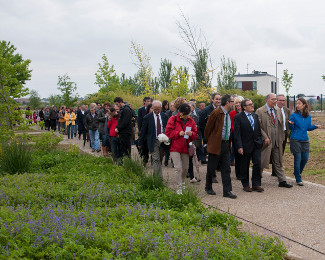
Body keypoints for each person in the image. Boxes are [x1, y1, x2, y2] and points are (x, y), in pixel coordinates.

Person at [255, 93, 293, 188]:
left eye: (275, 99)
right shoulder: (260, 111)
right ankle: (257, 180)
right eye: (273, 99)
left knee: (278, 160)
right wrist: (265, 137)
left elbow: (281, 125)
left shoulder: (278, 110)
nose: (275, 101)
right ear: (267, 100)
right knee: (262, 161)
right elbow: (258, 127)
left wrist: (281, 138)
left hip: (277, 141)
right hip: (266, 141)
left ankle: (282, 180)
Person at [204, 94, 237, 198]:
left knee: (226, 168)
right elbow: (207, 129)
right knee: (212, 167)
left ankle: (227, 191)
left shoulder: (228, 113)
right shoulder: (216, 113)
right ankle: (208, 187)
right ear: (227, 103)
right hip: (216, 145)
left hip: (226, 144)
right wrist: (211, 142)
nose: (233, 103)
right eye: (232, 101)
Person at [165, 103, 198, 195]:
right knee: (178, 168)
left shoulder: (191, 121)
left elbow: (196, 134)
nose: (186, 116)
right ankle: (178, 187)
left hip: (186, 147)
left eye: (188, 114)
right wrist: (178, 133)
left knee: (185, 168)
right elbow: (168, 132)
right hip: (175, 147)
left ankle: (182, 181)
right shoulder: (173, 119)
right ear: (180, 112)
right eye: (184, 114)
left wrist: (192, 134)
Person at [288, 97, 321, 186]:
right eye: (296, 103)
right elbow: (291, 128)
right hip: (295, 139)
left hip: (305, 140)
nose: (297, 105)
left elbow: (308, 128)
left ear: (304, 105)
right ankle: (298, 178)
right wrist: (290, 124)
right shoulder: (294, 115)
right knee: (298, 158)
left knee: (305, 158)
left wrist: (315, 126)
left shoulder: (308, 116)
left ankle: (297, 173)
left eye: (299, 103)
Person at [234, 99, 263, 192]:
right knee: (245, 165)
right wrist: (239, 146)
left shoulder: (255, 116)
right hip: (245, 145)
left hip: (256, 145)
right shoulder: (238, 117)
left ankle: (256, 183)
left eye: (252, 104)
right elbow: (237, 133)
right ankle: (245, 184)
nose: (252, 105)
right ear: (244, 107)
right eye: (250, 104)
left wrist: (259, 141)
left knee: (258, 163)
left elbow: (258, 130)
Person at [138, 100, 168, 177]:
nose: (157, 111)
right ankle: (158, 178)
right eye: (155, 109)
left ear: (161, 108)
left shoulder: (165, 116)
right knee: (155, 159)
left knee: (160, 159)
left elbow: (168, 128)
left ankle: (158, 175)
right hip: (153, 140)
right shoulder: (147, 117)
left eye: (158, 109)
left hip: (163, 141)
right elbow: (143, 131)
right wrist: (140, 142)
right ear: (152, 108)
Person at [199, 92, 221, 183]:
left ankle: (216, 172)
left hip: (219, 137)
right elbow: (201, 125)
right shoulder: (206, 110)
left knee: (218, 157)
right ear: (212, 100)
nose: (218, 101)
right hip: (210, 138)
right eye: (216, 99)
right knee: (212, 157)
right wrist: (206, 138)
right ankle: (212, 176)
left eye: (219, 99)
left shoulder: (222, 109)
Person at [229, 96, 243, 177]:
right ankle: (238, 173)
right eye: (236, 103)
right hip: (236, 135)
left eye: (239, 103)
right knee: (237, 154)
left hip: (244, 136)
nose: (238, 104)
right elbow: (232, 125)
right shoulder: (232, 113)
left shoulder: (245, 113)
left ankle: (243, 171)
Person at [137, 97, 152, 164]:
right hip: (144, 130)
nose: (149, 102)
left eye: (150, 101)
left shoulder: (153, 109)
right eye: (148, 101)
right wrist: (140, 131)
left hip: (151, 131)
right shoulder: (141, 110)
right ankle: (145, 158)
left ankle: (152, 159)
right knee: (143, 145)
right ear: (144, 102)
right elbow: (139, 121)